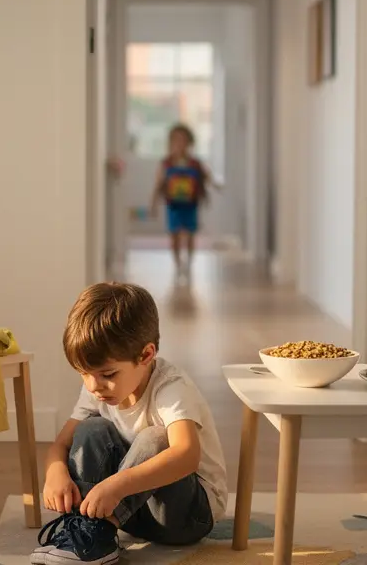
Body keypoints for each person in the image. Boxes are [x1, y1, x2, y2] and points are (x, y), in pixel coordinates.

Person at [30, 282, 227, 564]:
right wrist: (55, 474)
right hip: (131, 513)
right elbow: (61, 444)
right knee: (90, 429)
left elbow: (187, 455)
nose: (94, 386)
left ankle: (98, 530)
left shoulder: (171, 387)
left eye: (107, 374)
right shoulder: (96, 387)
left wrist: (117, 487)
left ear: (146, 355)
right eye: (84, 374)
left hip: (185, 517)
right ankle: (93, 531)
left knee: (156, 439)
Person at [149, 124, 215, 276]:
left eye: (183, 141)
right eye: (176, 141)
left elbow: (206, 177)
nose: (180, 144)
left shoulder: (195, 163)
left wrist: (211, 185)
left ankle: (190, 262)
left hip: (191, 204)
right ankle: (178, 263)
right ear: (170, 143)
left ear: (190, 143)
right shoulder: (166, 163)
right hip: (173, 205)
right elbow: (158, 183)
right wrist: (153, 203)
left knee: (191, 233)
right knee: (175, 234)